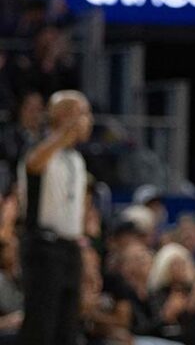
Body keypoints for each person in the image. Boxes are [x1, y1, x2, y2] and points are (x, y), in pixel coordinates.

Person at [16, 90, 92, 345]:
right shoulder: (38, 149)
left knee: (67, 329)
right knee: (40, 328)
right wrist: (63, 134)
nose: (89, 120)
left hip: (71, 248)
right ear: (64, 116)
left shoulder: (77, 158)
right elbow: (33, 164)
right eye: (84, 113)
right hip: (43, 247)